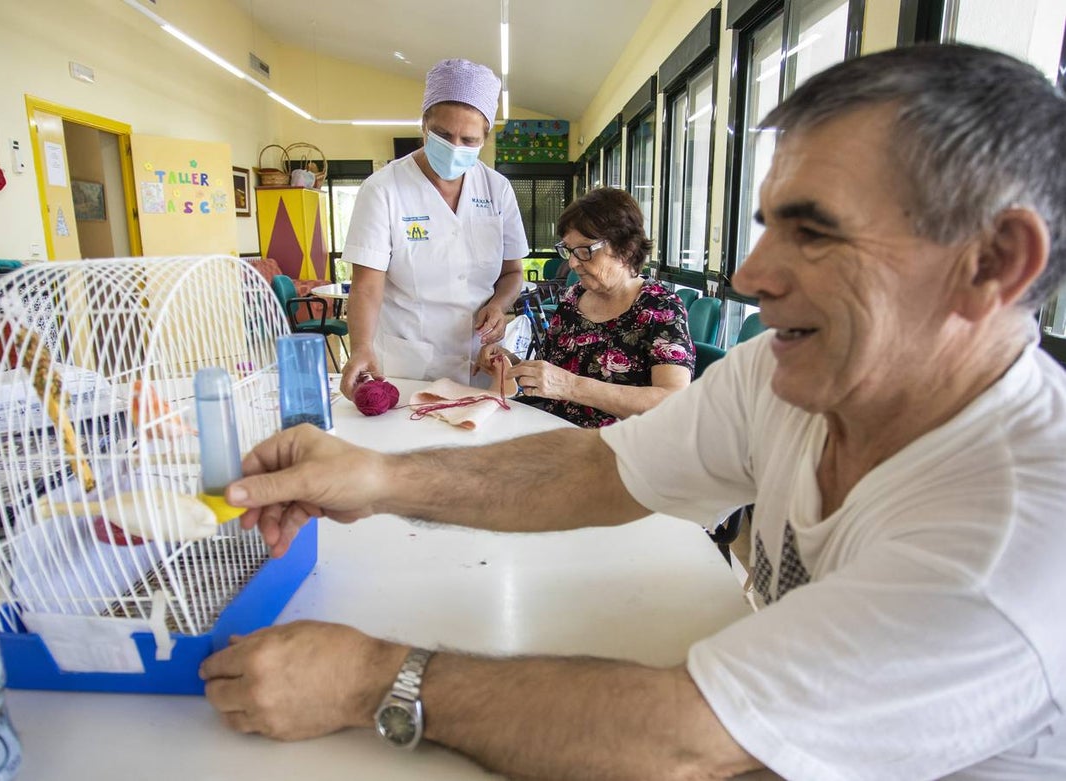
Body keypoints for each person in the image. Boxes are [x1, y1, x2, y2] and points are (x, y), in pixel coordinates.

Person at [200, 44, 1066, 779]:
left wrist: (370, 680)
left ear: (993, 261)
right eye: (765, 225)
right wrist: (379, 476)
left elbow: (685, 741)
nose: (749, 278)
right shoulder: (789, 375)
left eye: (815, 230)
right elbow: (605, 466)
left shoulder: (1007, 544)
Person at [338, 58, 527, 396]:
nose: (455, 148)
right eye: (442, 134)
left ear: (485, 137)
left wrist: (498, 306)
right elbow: (366, 286)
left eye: (468, 140)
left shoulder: (497, 190)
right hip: (408, 363)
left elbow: (513, 272)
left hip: (476, 360)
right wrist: (361, 347)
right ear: (424, 125)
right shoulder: (383, 189)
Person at [477, 187, 694, 427]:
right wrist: (511, 364)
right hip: (553, 433)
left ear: (626, 249)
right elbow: (552, 377)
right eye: (569, 250)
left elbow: (674, 401)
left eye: (584, 251)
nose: (572, 262)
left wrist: (571, 387)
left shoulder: (660, 309)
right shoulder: (573, 298)